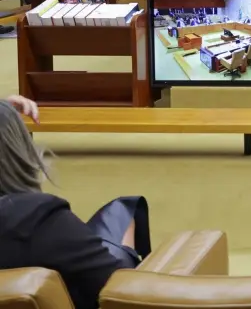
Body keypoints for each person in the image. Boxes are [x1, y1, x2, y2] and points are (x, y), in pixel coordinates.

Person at [0, 95, 152, 309]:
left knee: (125, 209)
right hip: (103, 289)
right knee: (125, 209)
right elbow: (120, 290)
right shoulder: (38, 218)